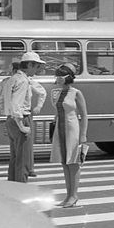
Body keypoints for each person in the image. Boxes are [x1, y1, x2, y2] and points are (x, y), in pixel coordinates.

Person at [1, 52, 45, 183]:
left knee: (15, 156)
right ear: (30, 65)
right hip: (21, 119)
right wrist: (21, 125)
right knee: (23, 158)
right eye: (36, 66)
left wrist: (7, 110)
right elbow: (17, 104)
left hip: (10, 119)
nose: (37, 70)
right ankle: (21, 187)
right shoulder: (23, 80)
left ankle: (12, 185)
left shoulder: (12, 79)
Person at [50, 63, 89, 208]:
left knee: (73, 162)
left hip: (72, 128)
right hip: (60, 129)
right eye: (57, 75)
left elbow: (84, 115)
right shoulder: (56, 92)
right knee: (64, 162)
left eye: (61, 75)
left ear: (68, 77)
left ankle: (74, 195)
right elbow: (57, 111)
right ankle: (68, 195)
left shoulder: (76, 93)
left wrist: (83, 135)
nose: (58, 78)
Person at [25, 61, 46, 177]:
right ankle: (24, 168)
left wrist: (38, 106)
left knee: (27, 144)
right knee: (17, 146)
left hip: (26, 114)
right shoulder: (10, 82)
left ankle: (29, 168)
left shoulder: (29, 81)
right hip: (14, 115)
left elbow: (42, 92)